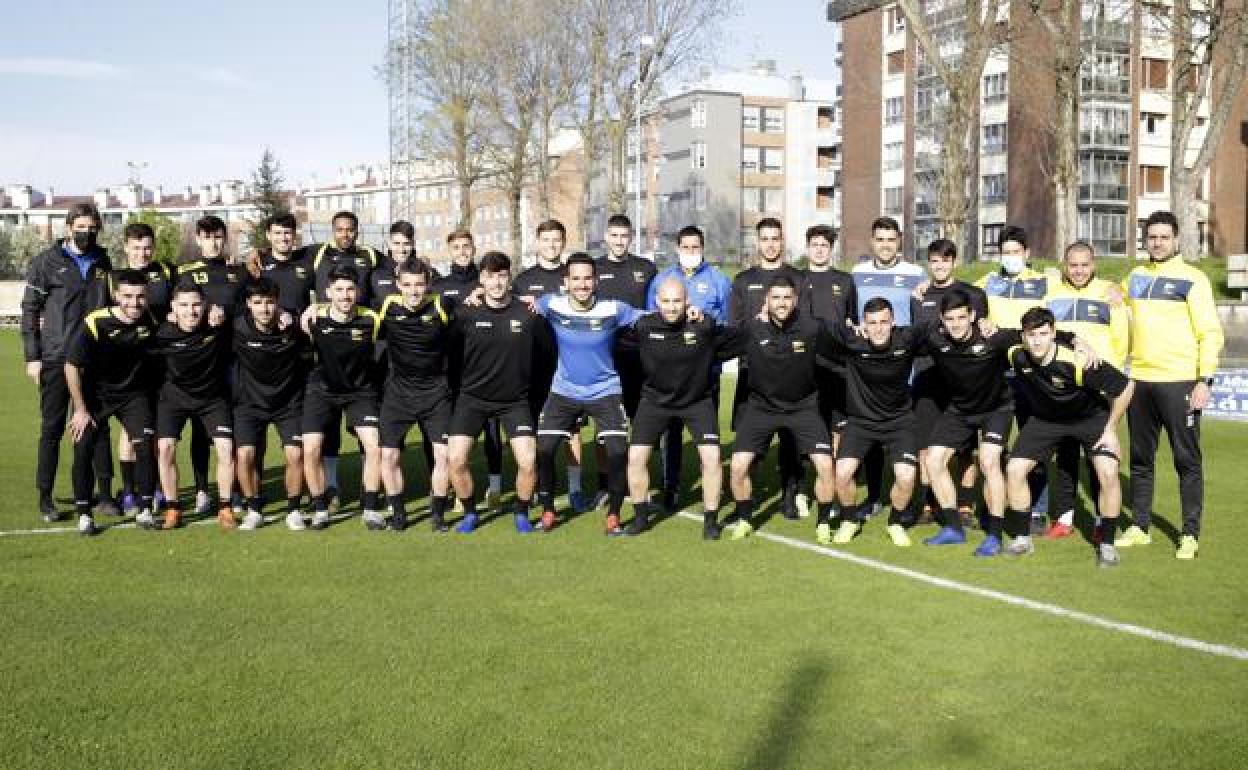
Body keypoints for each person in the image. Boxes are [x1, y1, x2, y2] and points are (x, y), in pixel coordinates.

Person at [1116, 210, 1224, 559]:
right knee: (1140, 460)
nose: (1158, 242)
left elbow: (1210, 333)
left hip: (1180, 383)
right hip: (1141, 382)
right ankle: (1140, 527)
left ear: (1176, 239)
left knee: (1186, 460)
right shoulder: (1134, 276)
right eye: (1152, 237)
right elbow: (1114, 301)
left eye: (1164, 236)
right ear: (1145, 240)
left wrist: (1204, 380)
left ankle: (1189, 534)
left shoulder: (1194, 279)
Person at [529, 253, 652, 535]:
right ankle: (547, 511)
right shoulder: (552, 304)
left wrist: (686, 312)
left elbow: (648, 317)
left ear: (595, 281)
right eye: (576, 279)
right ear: (566, 282)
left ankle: (614, 515)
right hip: (564, 391)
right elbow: (521, 303)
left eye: (587, 278)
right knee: (544, 449)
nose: (582, 284)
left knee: (619, 452)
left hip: (605, 391)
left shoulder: (614, 310)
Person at [1004, 307, 1133, 566]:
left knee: (1108, 472)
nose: (1037, 340)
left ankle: (1107, 545)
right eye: (1031, 335)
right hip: (1046, 421)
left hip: (1090, 419)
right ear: (1023, 336)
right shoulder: (1015, 354)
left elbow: (1125, 387)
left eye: (1043, 333)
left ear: (1053, 333)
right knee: (1015, 470)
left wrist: (1111, 429)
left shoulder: (1078, 361)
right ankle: (1021, 539)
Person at [21, 201, 115, 522]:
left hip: (96, 359)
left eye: (93, 228)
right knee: (52, 429)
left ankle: (103, 495)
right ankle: (45, 497)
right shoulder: (46, 262)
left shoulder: (104, 261)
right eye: (81, 227)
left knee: (98, 427)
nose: (87, 233)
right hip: (56, 358)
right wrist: (32, 357)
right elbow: (30, 312)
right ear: (69, 226)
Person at [725, 275, 837, 541]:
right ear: (767, 301)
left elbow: (844, 348)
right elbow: (714, 345)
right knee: (738, 467)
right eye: (776, 298)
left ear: (795, 300)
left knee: (825, 466)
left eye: (787, 298)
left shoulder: (812, 328)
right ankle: (744, 518)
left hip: (803, 408)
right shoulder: (752, 329)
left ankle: (823, 522)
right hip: (761, 408)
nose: (782, 303)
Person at [627, 277, 739, 539]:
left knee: (712, 459)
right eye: (665, 301)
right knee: (635, 458)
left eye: (677, 301)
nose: (671, 307)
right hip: (654, 401)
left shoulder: (703, 325)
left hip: (697, 402)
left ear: (687, 301)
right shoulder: (644, 327)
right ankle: (641, 518)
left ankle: (710, 521)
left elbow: (737, 338)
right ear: (656, 302)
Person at [445, 251, 542, 533]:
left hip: (515, 401)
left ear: (509, 278)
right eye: (490, 276)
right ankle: (470, 512)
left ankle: (522, 512)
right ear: (482, 280)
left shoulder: (529, 313)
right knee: (456, 459)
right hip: (472, 399)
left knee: (527, 461)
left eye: (502, 276)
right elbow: (451, 353)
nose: (497, 283)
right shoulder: (465, 313)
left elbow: (544, 354)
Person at [1044, 241, 1129, 539]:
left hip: (1098, 390)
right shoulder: (1051, 295)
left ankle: (1098, 520)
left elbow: (1120, 342)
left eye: (1084, 264)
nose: (1078, 270)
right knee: (1065, 457)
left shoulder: (1111, 293)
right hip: (1063, 389)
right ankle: (1064, 519)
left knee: (1098, 458)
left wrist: (1110, 383)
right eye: (1073, 265)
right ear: (1065, 265)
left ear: (1094, 265)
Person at [63, 270, 158, 535]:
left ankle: (145, 510)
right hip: (95, 396)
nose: (134, 303)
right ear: (116, 295)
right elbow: (71, 366)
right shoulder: (95, 322)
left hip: (133, 396)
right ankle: (84, 515)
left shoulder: (150, 320)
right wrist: (80, 409)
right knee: (83, 447)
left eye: (140, 297)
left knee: (145, 446)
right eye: (127, 296)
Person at [822, 298, 922, 547]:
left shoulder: (906, 339)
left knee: (907, 475)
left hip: (899, 421)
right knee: (842, 474)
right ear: (863, 325)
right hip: (861, 422)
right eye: (872, 323)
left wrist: (984, 324)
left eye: (884, 322)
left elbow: (939, 326)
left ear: (893, 323)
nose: (878, 328)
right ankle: (849, 520)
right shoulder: (852, 341)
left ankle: (896, 523)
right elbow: (815, 325)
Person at [646, 225, 732, 511]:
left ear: (703, 248)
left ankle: (713, 490)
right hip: (668, 377)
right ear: (677, 249)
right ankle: (670, 488)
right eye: (686, 247)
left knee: (707, 439)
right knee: (669, 437)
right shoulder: (662, 280)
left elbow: (726, 326)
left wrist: (704, 320)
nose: (691, 252)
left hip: (705, 375)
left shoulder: (720, 281)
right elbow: (650, 322)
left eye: (696, 247)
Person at [728, 218, 807, 520]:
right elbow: (735, 329)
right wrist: (759, 322)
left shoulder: (798, 279)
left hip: (790, 373)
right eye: (765, 239)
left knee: (790, 439)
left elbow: (805, 323)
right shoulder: (744, 280)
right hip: (753, 373)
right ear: (757, 242)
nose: (771, 244)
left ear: (782, 241)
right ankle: (744, 501)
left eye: (776, 238)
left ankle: (789, 495)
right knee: (749, 441)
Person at [977, 225, 1052, 533]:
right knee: (992, 449)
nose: (1010, 258)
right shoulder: (985, 284)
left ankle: (1037, 510)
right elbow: (957, 296)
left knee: (1035, 443)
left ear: (1027, 254)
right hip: (995, 377)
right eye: (1005, 253)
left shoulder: (1047, 283)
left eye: (1015, 252)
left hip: (1032, 376)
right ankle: (993, 506)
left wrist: (1113, 291)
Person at [849, 216, 925, 521]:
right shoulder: (858, 273)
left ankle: (907, 502)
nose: (885, 245)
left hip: (904, 364)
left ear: (899, 241)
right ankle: (875, 496)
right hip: (868, 365)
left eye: (891, 239)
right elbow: (851, 316)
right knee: (871, 434)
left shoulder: (915, 273)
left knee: (905, 433)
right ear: (872, 241)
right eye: (880, 239)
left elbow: (922, 317)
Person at [300, 266, 385, 530]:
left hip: (360, 391)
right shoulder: (314, 319)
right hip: (322, 390)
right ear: (328, 292)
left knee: (374, 447)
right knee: (310, 449)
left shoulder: (372, 318)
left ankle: (370, 509)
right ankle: (320, 508)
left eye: (350, 289)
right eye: (339, 289)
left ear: (358, 291)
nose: (345, 296)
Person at [911, 239, 989, 528]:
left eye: (945, 260)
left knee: (965, 449)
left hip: (962, 383)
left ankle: (965, 504)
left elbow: (982, 333)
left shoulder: (974, 295)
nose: (939, 265)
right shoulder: (918, 295)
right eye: (934, 260)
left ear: (954, 262)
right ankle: (929, 504)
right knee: (925, 448)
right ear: (928, 263)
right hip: (927, 379)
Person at [376, 257, 455, 533]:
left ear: (428, 284)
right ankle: (398, 515)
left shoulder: (442, 306)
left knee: (443, 456)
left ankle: (438, 515)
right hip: (398, 394)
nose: (413, 291)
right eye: (407, 285)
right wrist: (315, 308)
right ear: (398, 285)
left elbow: (473, 310)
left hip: (436, 393)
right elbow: (351, 310)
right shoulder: (386, 306)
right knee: (387, 456)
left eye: (419, 285)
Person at [514, 219, 587, 512]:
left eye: (557, 240)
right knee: (531, 430)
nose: (552, 245)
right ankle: (533, 487)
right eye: (546, 240)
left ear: (564, 242)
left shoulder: (573, 277)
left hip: (567, 364)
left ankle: (575, 489)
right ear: (537, 242)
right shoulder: (522, 280)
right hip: (533, 366)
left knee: (573, 431)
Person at [176, 215, 246, 517]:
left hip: (233, 359)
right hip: (201, 359)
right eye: (208, 237)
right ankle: (203, 489)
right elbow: (177, 310)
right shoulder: (186, 273)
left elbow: (248, 310)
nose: (214, 243)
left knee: (233, 425)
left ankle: (236, 489)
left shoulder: (238, 272)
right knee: (200, 428)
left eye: (219, 237)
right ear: (198, 239)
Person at [151, 285, 236, 530]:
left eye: (197, 305)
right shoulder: (162, 334)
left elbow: (246, 310)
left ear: (206, 306)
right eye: (185, 305)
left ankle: (225, 507)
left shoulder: (217, 326)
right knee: (165, 448)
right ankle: (173, 509)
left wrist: (222, 312)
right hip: (174, 398)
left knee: (225, 448)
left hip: (212, 399)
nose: (191, 311)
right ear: (174, 309)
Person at [434, 228, 504, 508]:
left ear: (474, 249)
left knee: (492, 429)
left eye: (467, 246)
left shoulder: (487, 278)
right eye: (456, 247)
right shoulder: (439, 286)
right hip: (453, 368)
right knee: (453, 431)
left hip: (487, 368)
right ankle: (452, 486)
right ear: (449, 251)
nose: (462, 252)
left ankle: (495, 486)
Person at [109, 222, 176, 516]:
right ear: (125, 247)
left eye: (147, 247)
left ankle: (156, 486)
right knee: (128, 428)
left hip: (161, 361)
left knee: (156, 429)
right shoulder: (114, 278)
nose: (142, 253)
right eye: (136, 248)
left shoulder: (167, 273)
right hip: (128, 362)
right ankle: (128, 491)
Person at [232, 277, 309, 531]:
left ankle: (294, 509)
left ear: (278, 303)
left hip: (288, 403)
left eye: (269, 302)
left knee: (296, 454)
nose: (264, 308)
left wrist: (296, 318)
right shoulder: (237, 328)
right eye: (258, 303)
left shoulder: (292, 326)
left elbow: (314, 318)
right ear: (248, 304)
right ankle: (253, 508)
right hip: (250, 404)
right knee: (244, 454)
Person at [591, 214, 657, 507]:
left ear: (631, 237)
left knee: (640, 424)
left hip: (640, 358)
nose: (619, 241)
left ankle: (637, 481)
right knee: (604, 426)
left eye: (624, 236)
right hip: (603, 358)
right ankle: (604, 484)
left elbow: (657, 309)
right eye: (614, 235)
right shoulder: (594, 269)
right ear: (606, 236)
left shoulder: (646, 268)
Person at [257, 213, 315, 317]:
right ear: (268, 235)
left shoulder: (307, 262)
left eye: (287, 232)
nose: (283, 238)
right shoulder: (257, 264)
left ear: (294, 235)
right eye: (277, 233)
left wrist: (315, 307)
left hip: (299, 331)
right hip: (267, 331)